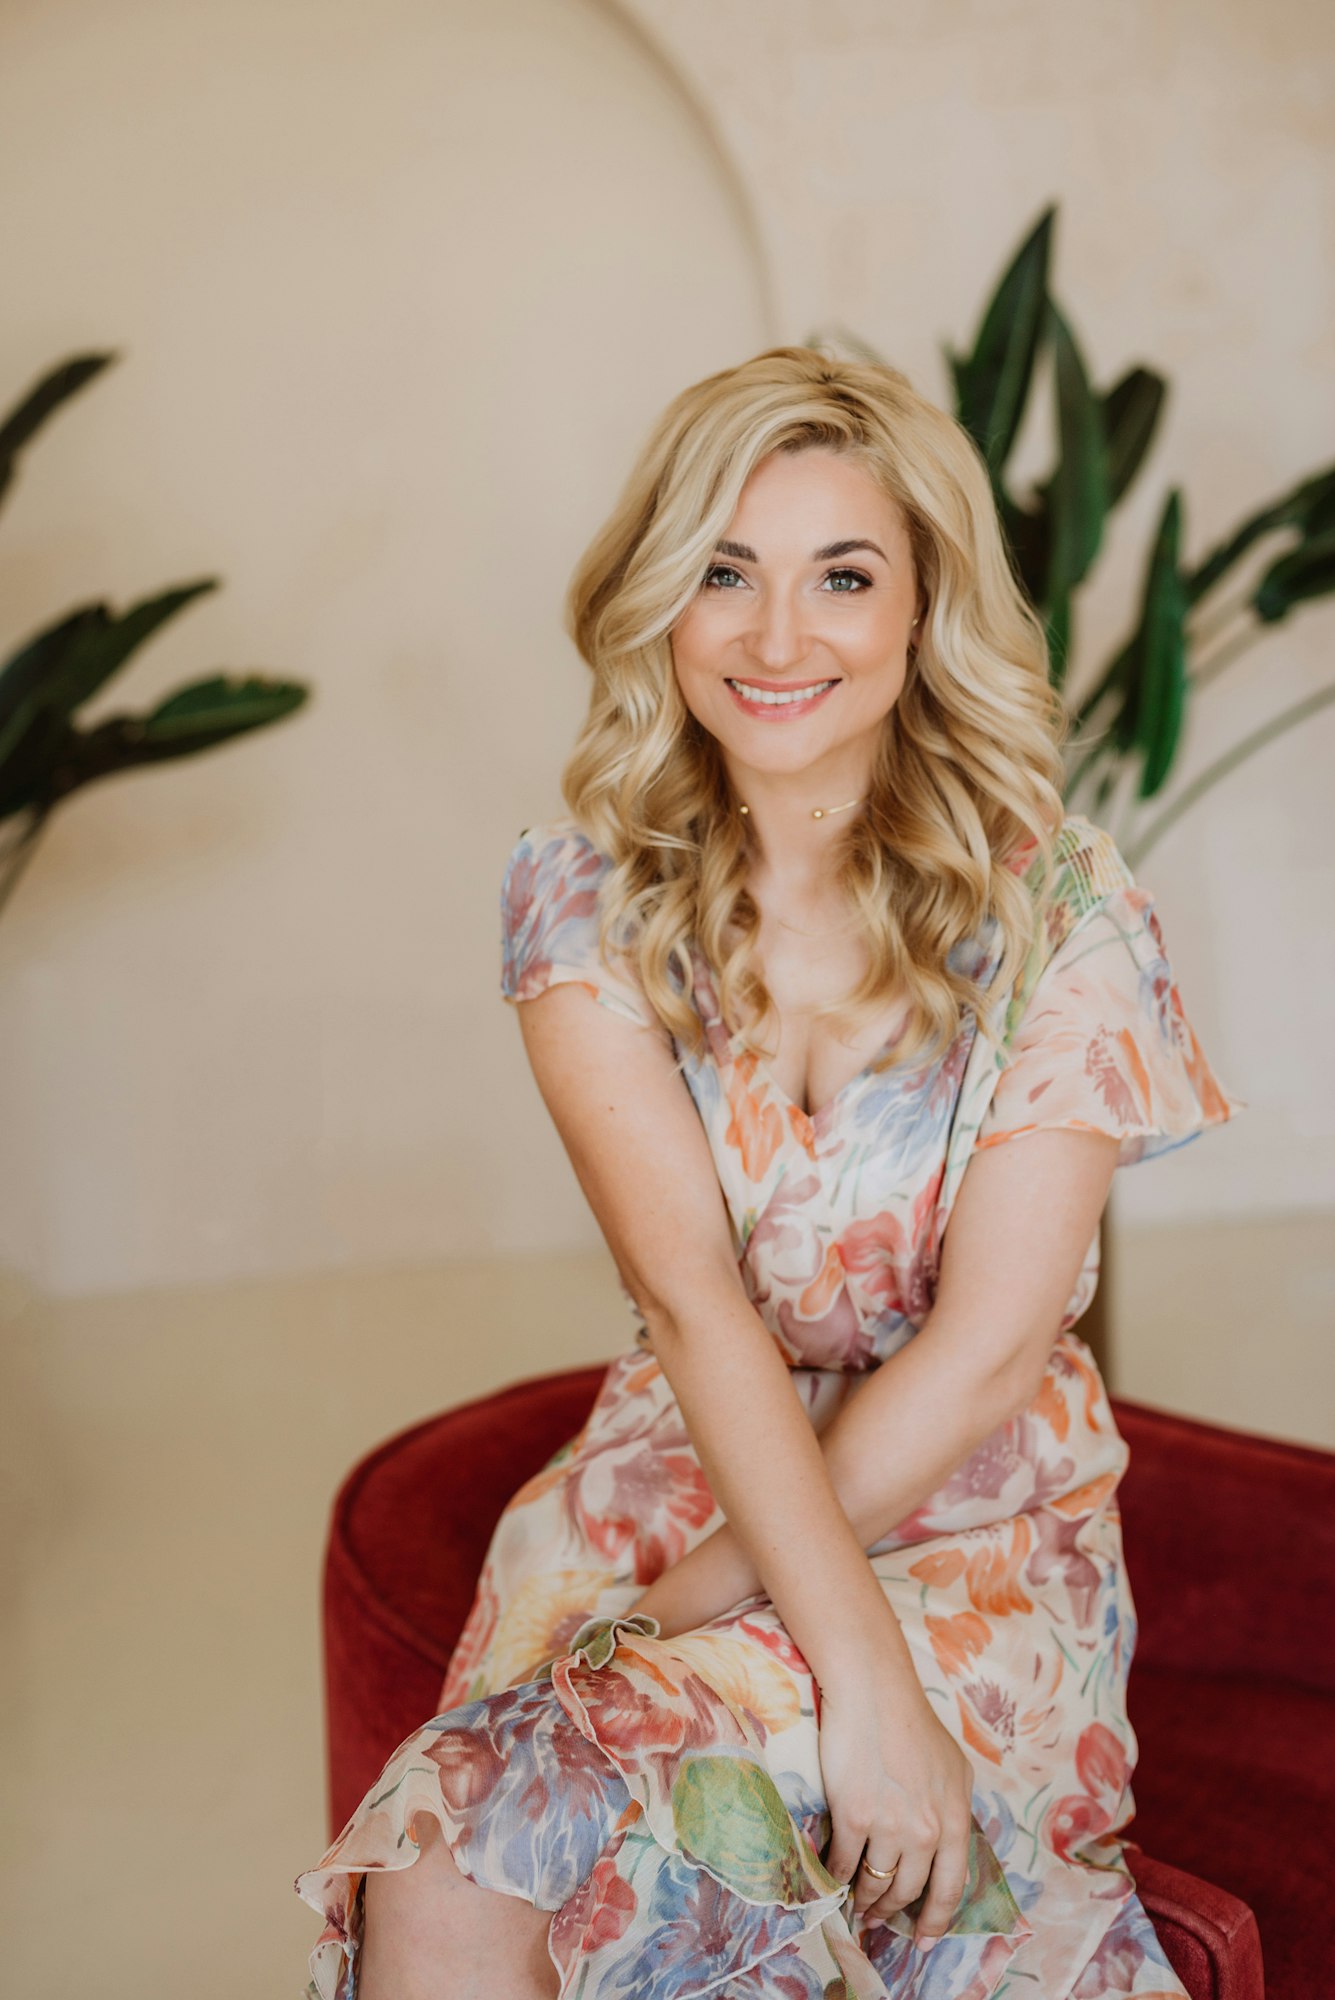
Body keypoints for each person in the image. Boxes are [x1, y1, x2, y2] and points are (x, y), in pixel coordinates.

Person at [294, 346, 1245, 2000]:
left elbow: (990, 1353)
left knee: (723, 1830)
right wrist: (741, 1633)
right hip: (681, 1461)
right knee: (457, 1859)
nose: (777, 636)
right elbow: (691, 1297)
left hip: (967, 1523)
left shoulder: (1063, 909)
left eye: (843, 575)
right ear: (660, 596)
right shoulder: (581, 895)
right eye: (725, 571)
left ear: (920, 607)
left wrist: (754, 1622)